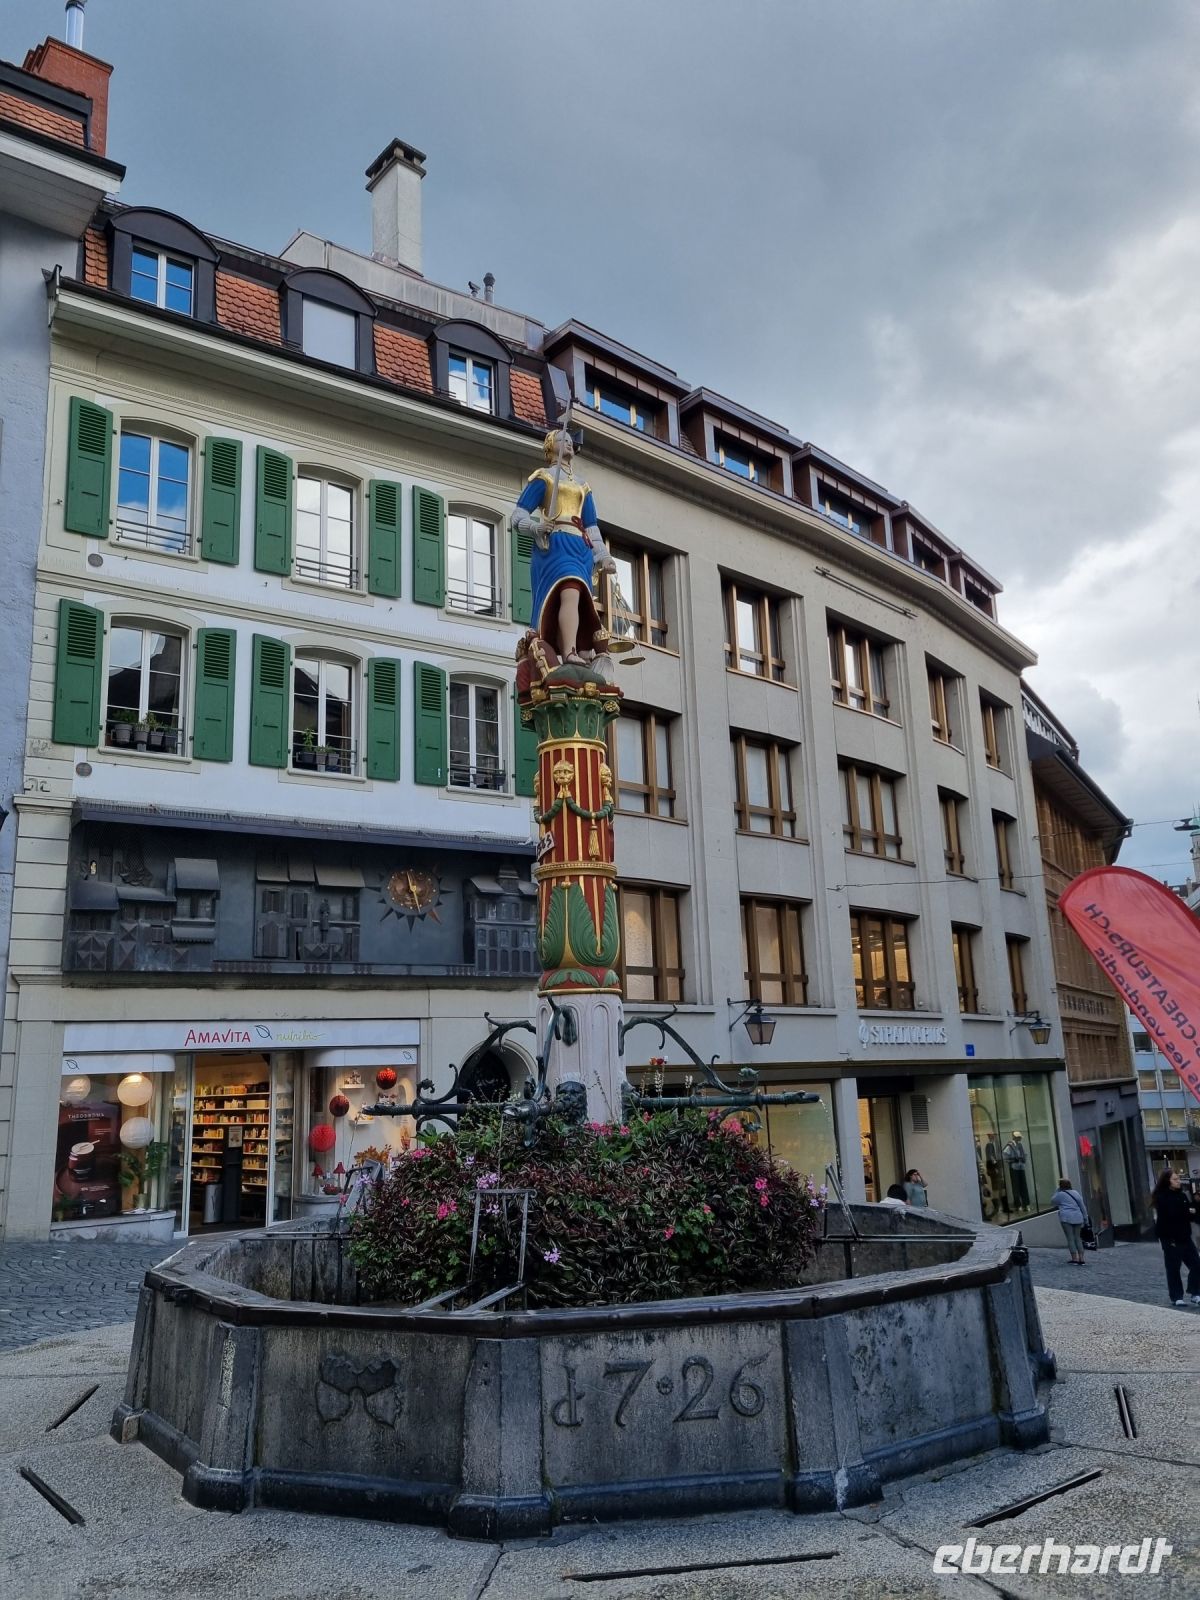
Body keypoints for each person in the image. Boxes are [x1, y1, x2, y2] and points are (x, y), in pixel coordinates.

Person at [511, 427, 616, 669]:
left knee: (575, 598)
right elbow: (518, 515)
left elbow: (591, 526)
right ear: (550, 447)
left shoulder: (582, 485)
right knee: (570, 590)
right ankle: (569, 651)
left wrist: (603, 555)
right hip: (555, 543)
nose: (568, 443)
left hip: (580, 547)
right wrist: (536, 528)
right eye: (561, 439)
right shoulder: (544, 477)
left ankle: (576, 649)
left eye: (569, 440)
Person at [1151, 1168, 1200, 1307]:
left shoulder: (1182, 1196)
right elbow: (1170, 1215)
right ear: (1168, 1181)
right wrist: (1186, 1211)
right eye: (1175, 1179)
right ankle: (1177, 1296)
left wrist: (1189, 1211)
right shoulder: (1162, 1197)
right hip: (1170, 1238)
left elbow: (1191, 1213)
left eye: (1178, 1179)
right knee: (1173, 1268)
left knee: (1196, 1264)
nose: (1178, 1181)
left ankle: (1195, 1292)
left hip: (1185, 1236)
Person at [1049, 1177, 1089, 1265]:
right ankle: (1081, 1258)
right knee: (1078, 1238)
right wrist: (1085, 1219)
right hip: (1078, 1217)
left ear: (1060, 1186)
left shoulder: (1060, 1194)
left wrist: (1057, 1190)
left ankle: (1074, 1258)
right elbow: (1082, 1206)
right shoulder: (1076, 1193)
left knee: (1070, 1238)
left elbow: (1052, 1202)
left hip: (1066, 1218)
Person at [1002, 1130, 1030, 1211]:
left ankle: (1026, 1203)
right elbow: (1005, 1155)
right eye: (1018, 1137)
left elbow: (1025, 1154)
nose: (1019, 1139)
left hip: (1021, 1167)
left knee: (1023, 1185)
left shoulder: (1020, 1145)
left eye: (1020, 1137)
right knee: (1016, 1186)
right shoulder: (1010, 1146)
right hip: (1014, 1167)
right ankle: (1018, 1204)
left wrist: (1023, 1158)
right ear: (1015, 1137)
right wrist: (1012, 1160)